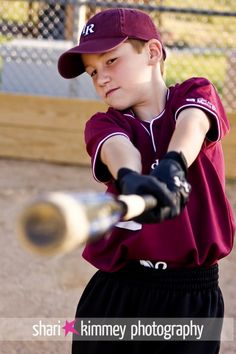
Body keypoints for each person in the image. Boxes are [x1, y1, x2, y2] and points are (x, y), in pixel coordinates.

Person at [58, 8, 235, 354]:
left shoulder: (193, 94)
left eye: (111, 61)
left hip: (188, 299)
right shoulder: (104, 124)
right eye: (93, 72)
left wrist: (173, 164)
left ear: (153, 53)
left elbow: (193, 124)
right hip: (117, 292)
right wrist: (130, 178)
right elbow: (117, 149)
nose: (101, 79)